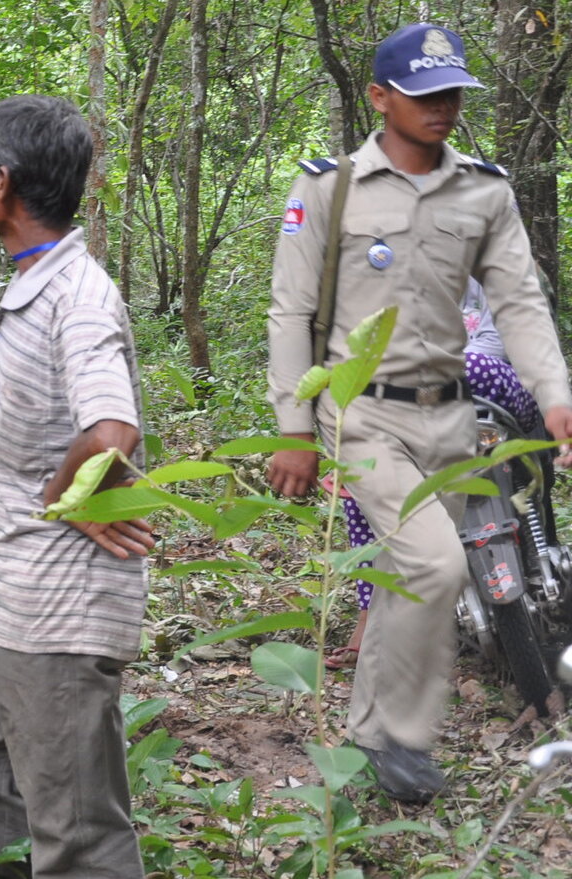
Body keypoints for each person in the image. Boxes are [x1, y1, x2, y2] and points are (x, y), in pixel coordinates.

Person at [265, 23, 572, 802]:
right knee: (434, 562)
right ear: (379, 98)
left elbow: (521, 305)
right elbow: (289, 312)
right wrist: (294, 431)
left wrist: (557, 396)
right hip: (361, 412)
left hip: (455, 408)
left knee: (410, 578)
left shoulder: (485, 190)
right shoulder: (327, 189)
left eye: (452, 93)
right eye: (424, 94)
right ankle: (403, 738)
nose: (443, 107)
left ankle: (369, 738)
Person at [0, 96, 151, 878]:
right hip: (21, 606)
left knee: (79, 836)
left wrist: (65, 497)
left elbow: (111, 431)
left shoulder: (78, 296)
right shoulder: (37, 285)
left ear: (1, 185)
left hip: (62, 618)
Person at [327, 279, 539, 669]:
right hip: (417, 405)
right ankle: (370, 622)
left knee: (469, 365)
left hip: (493, 390)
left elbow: (496, 345)